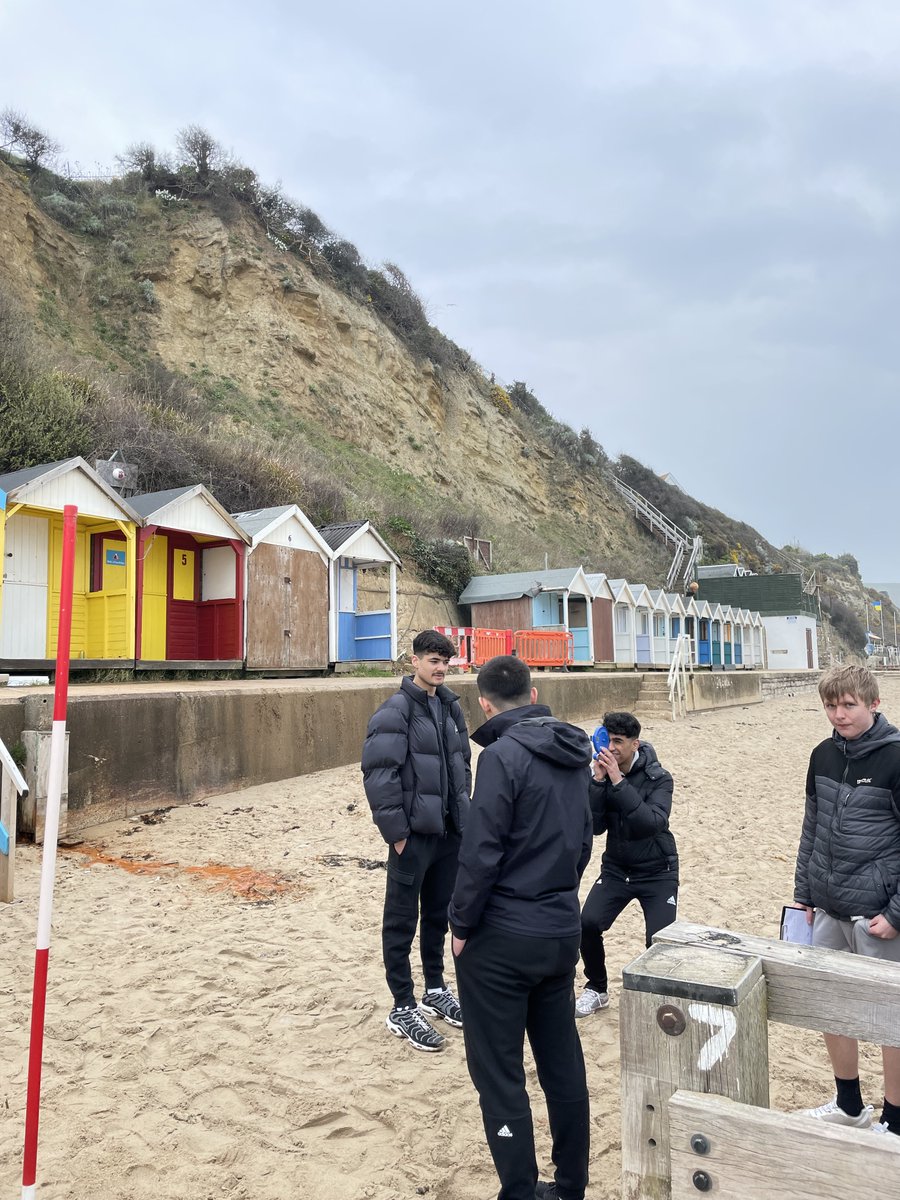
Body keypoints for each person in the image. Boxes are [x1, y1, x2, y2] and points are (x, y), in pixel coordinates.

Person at [449, 655, 593, 1200]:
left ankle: (521, 1189)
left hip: (504, 933)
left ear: (485, 704)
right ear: (533, 696)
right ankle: (571, 1184)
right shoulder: (575, 753)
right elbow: (583, 841)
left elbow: (481, 850)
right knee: (560, 1062)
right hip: (558, 926)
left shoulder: (501, 757)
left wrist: (461, 923)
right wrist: (557, 894)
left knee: (499, 1071)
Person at [793, 665, 900, 1134]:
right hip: (827, 907)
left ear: (873, 703)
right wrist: (804, 895)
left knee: (887, 1020)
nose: (838, 714)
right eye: (831, 705)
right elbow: (811, 828)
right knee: (831, 1009)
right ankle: (849, 1104)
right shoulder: (822, 754)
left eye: (848, 705)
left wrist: (896, 915)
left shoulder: (895, 758)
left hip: (876, 915)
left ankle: (895, 1120)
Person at [362, 629, 472, 1052]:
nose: (440, 668)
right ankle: (402, 1005)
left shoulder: (451, 709)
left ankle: (434, 989)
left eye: (445, 661)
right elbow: (379, 774)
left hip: (449, 834)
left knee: (439, 916)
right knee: (401, 920)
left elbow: (462, 765)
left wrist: (462, 813)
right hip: (413, 837)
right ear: (414, 661)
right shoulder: (395, 711)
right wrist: (398, 836)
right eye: (432, 660)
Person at [576, 711, 677, 1017]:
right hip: (618, 869)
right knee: (587, 924)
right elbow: (594, 828)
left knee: (659, 939)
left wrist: (618, 782)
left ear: (635, 744)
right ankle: (596, 988)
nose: (612, 748)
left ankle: (657, 995)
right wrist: (596, 782)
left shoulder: (660, 778)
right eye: (609, 740)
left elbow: (651, 823)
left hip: (659, 871)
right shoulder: (603, 775)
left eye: (619, 741)